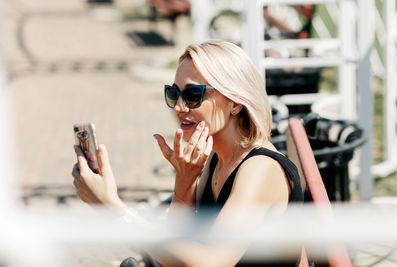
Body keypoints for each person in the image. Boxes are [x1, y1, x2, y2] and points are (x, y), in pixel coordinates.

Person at [72, 40, 304, 266]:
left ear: (235, 103)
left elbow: (211, 262)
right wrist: (185, 179)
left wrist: (115, 209)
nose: (180, 107)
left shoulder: (260, 169)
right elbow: (177, 245)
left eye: (194, 95)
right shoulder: (218, 156)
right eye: (174, 94)